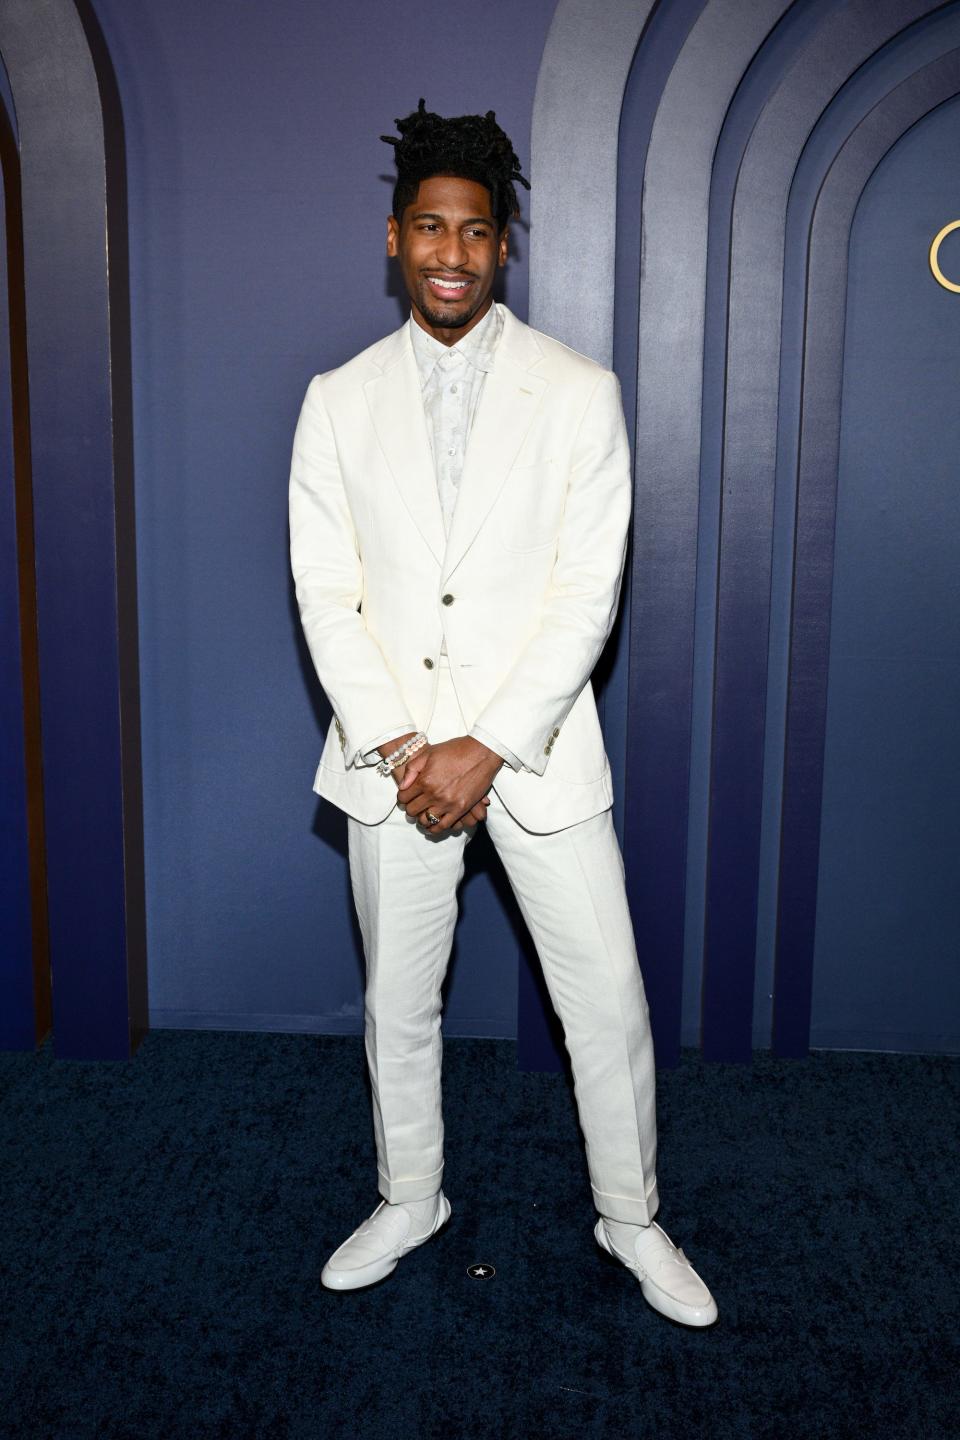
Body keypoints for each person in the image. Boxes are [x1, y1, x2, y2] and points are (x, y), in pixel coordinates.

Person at [288, 99, 717, 1327]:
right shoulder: (337, 398)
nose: (451, 254)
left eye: (474, 232)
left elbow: (591, 589)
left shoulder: (580, 393)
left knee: (609, 1005)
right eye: (430, 227)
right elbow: (328, 596)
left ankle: (631, 1219)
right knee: (396, 1004)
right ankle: (408, 1196)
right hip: (393, 762)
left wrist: (487, 743)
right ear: (393, 237)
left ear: (502, 248)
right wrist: (412, 746)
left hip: (534, 757)